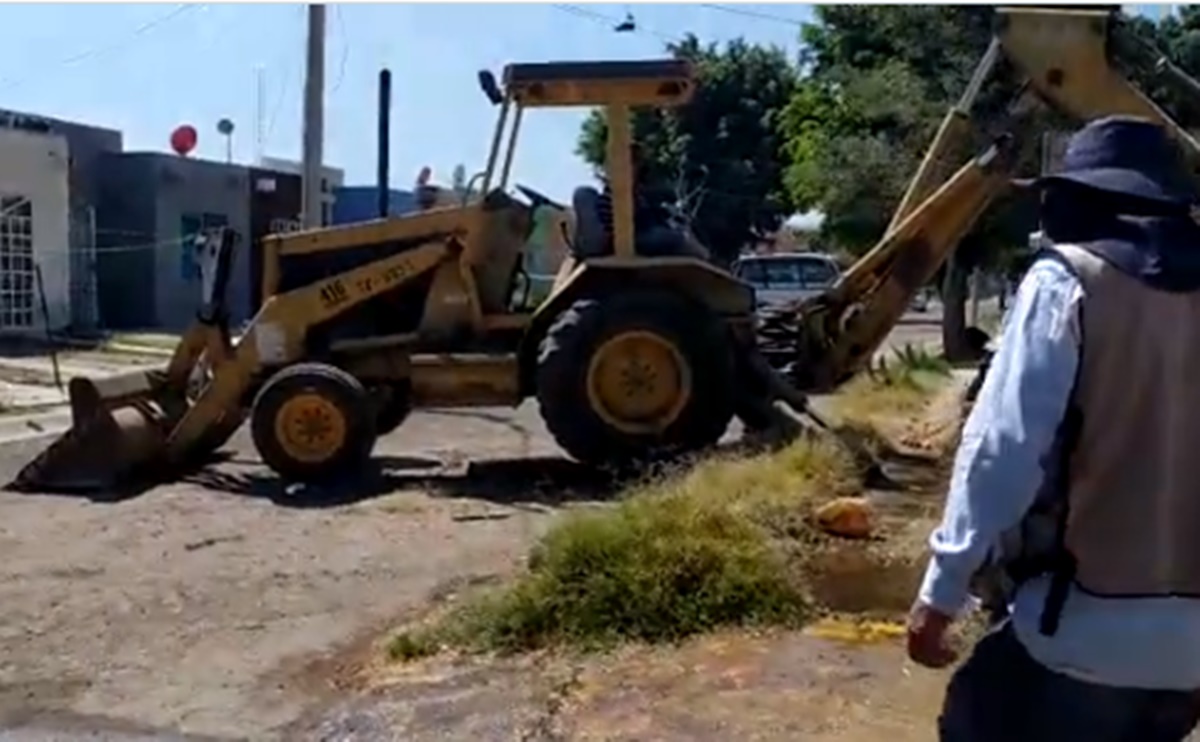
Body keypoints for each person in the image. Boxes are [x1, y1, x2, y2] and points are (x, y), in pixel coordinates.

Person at [908, 115, 1200, 741]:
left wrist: (942, 591)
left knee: (974, 720)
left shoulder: (1064, 281)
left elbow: (1003, 451)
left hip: (1080, 629)